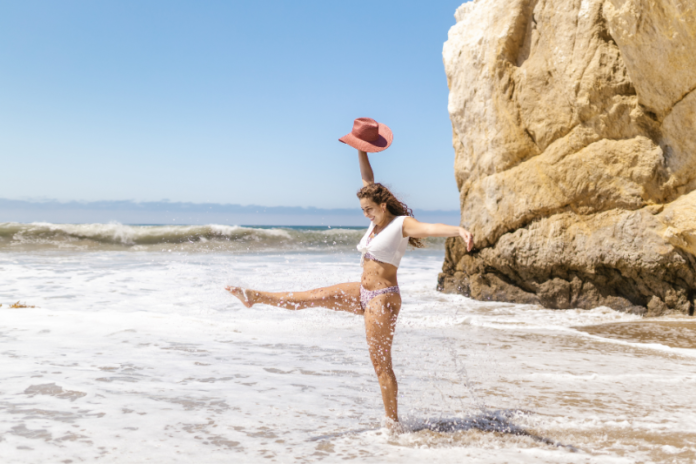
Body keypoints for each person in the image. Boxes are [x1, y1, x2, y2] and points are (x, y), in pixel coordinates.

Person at [226, 117, 474, 432]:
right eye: (363, 211)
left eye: (369, 209)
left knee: (381, 366)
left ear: (383, 205)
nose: (366, 214)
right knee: (310, 297)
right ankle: (254, 297)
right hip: (362, 291)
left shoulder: (400, 224)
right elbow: (367, 179)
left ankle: (392, 425)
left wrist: (458, 230)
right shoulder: (376, 222)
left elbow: (429, 228)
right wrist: (360, 149)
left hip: (382, 300)